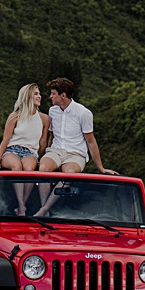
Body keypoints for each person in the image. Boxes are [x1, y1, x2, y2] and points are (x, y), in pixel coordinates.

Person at [36, 77, 117, 216]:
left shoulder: (83, 113)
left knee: (70, 174)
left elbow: (91, 141)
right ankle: (44, 208)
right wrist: (44, 155)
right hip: (56, 151)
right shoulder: (52, 111)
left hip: (76, 154)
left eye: (53, 93)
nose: (50, 97)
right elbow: (52, 137)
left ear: (63, 95)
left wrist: (101, 168)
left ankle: (44, 209)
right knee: (43, 168)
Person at [0, 83, 50, 216]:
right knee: (17, 167)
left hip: (31, 152)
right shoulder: (15, 116)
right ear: (27, 96)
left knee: (29, 170)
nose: (39, 96)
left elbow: (43, 142)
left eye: (39, 94)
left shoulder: (44, 119)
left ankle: (22, 204)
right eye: (36, 94)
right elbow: (5, 140)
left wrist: (40, 159)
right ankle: (21, 207)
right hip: (12, 150)